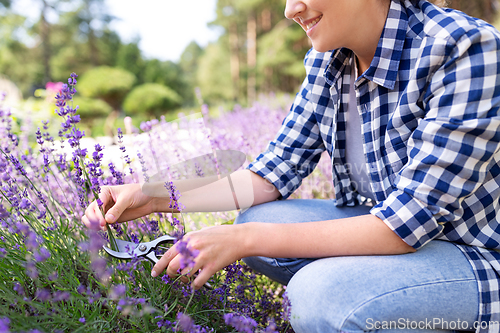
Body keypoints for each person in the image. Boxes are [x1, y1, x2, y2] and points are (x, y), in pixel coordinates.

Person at [82, 0, 500, 331]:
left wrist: (244, 240)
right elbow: (272, 171)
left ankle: (405, 315)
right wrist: (154, 195)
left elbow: (406, 222)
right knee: (263, 214)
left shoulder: (462, 48)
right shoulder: (330, 62)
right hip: (401, 234)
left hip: (478, 254)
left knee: (320, 295)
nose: (289, 9)